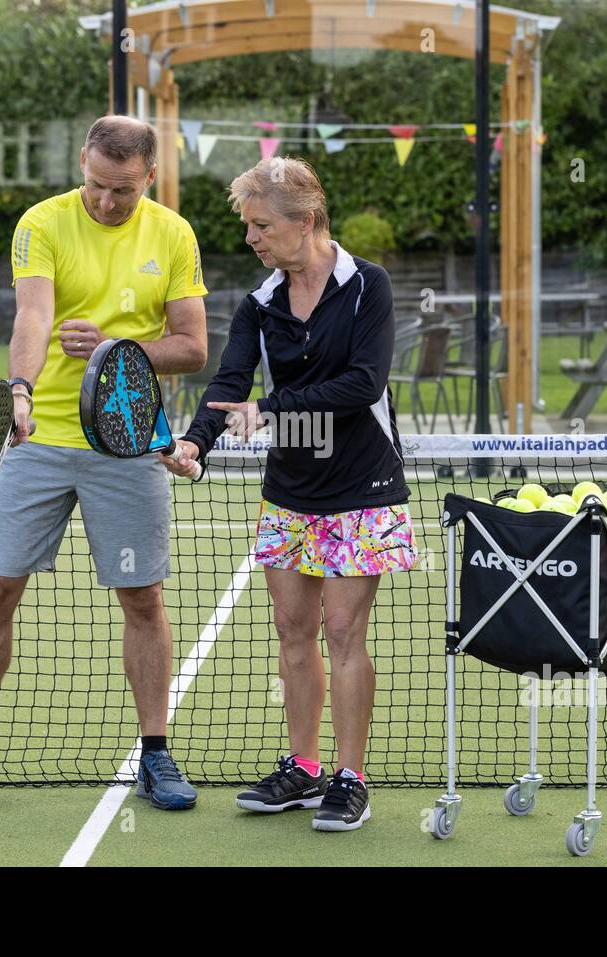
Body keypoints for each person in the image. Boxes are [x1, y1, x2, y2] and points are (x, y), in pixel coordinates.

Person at [0, 115, 208, 812]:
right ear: (82, 161)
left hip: (129, 438)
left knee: (141, 598)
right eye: (96, 185)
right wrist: (19, 390)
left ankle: (156, 753)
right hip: (39, 437)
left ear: (149, 176)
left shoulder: (173, 234)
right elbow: (32, 317)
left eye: (123, 191)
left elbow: (194, 347)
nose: (108, 203)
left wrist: (115, 346)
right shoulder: (41, 222)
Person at [161, 157, 415, 831]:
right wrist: (194, 444)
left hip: (364, 486)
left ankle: (350, 776)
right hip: (290, 492)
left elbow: (364, 384)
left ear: (306, 222)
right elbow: (228, 382)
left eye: (262, 225)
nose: (252, 237)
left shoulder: (368, 288)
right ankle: (304, 768)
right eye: (248, 225)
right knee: (293, 631)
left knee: (343, 632)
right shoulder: (260, 304)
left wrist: (269, 409)